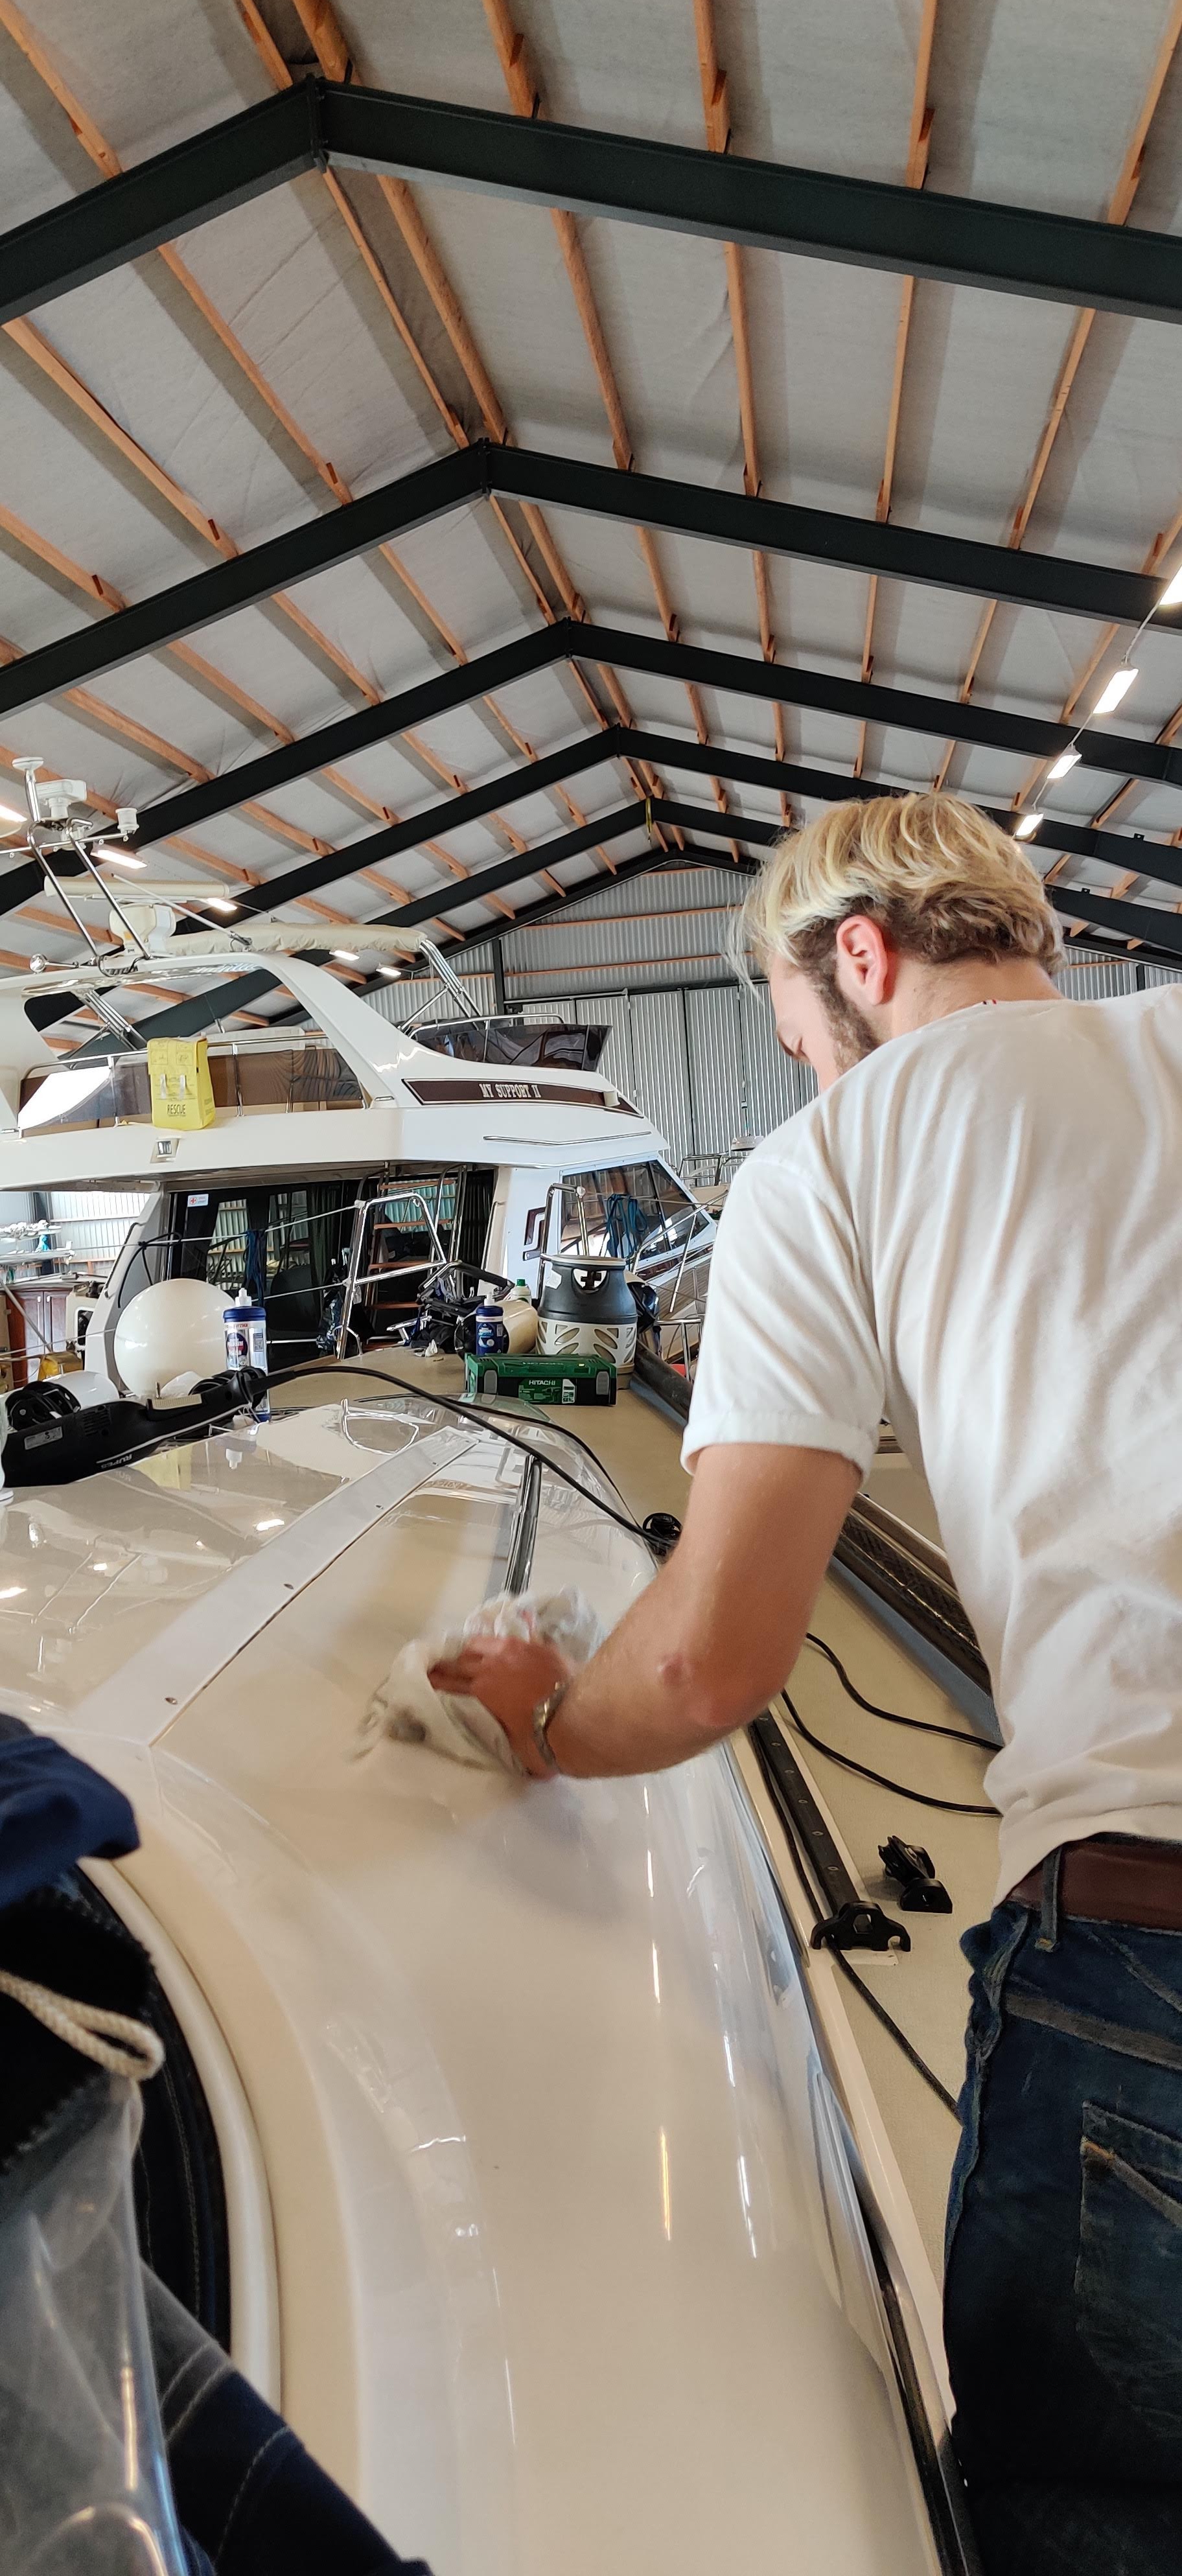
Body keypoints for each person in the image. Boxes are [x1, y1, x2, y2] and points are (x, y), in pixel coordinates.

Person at [430, 790, 1182, 2576]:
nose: (800, 1065)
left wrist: (540, 1713)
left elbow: (710, 1659)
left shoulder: (836, 1161)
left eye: (793, 1028)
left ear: (859, 956)